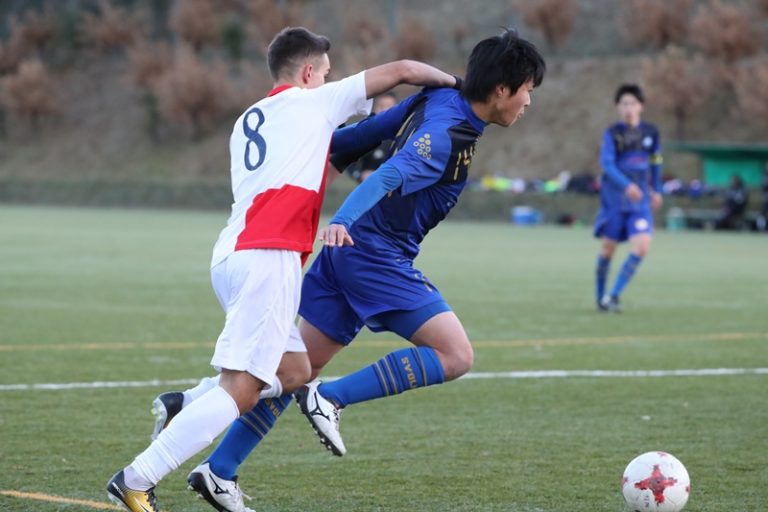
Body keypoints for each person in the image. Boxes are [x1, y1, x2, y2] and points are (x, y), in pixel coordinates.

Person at [105, 26, 460, 512]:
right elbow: (403, 70)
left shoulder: (248, 120)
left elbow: (337, 147)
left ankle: (186, 403)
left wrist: (396, 119)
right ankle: (135, 479)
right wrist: (458, 85)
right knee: (241, 391)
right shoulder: (312, 103)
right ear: (309, 72)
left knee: (294, 371)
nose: (330, 81)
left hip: (232, 253)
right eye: (326, 73)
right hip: (267, 258)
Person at [594, 84, 663, 313]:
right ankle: (600, 297)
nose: (628, 108)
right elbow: (607, 165)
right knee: (608, 250)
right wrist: (626, 185)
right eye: (624, 104)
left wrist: (657, 190)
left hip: (639, 202)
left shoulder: (651, 133)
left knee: (642, 246)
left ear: (641, 106)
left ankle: (613, 296)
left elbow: (655, 163)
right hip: (614, 200)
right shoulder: (612, 134)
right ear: (617, 107)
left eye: (632, 103)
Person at [345, 91, 398, 183]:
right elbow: (348, 160)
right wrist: (360, 175)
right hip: (369, 185)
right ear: (374, 109)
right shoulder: (365, 133)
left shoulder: (405, 132)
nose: (385, 110)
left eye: (390, 107)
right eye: (381, 106)